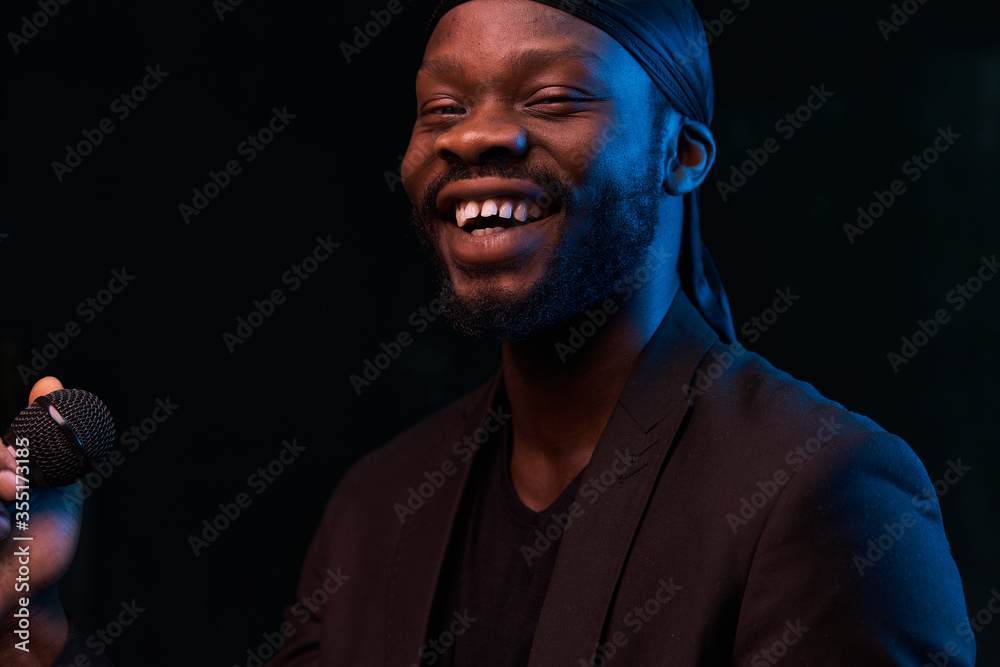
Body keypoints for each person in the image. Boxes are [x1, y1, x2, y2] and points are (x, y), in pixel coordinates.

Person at [0, 0, 975, 665]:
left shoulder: (823, 493)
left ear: (679, 153)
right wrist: (36, 630)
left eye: (552, 98)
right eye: (443, 107)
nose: (473, 136)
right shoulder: (376, 506)